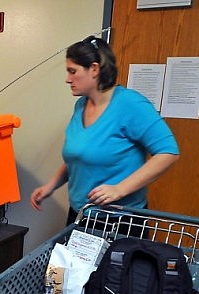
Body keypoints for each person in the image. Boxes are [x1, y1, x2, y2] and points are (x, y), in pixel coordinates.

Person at [30, 35, 179, 227]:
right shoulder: (81, 106)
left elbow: (168, 152)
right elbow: (78, 155)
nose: (68, 79)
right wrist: (50, 186)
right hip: (80, 214)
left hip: (120, 220)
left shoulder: (130, 104)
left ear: (94, 69)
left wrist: (120, 189)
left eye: (73, 71)